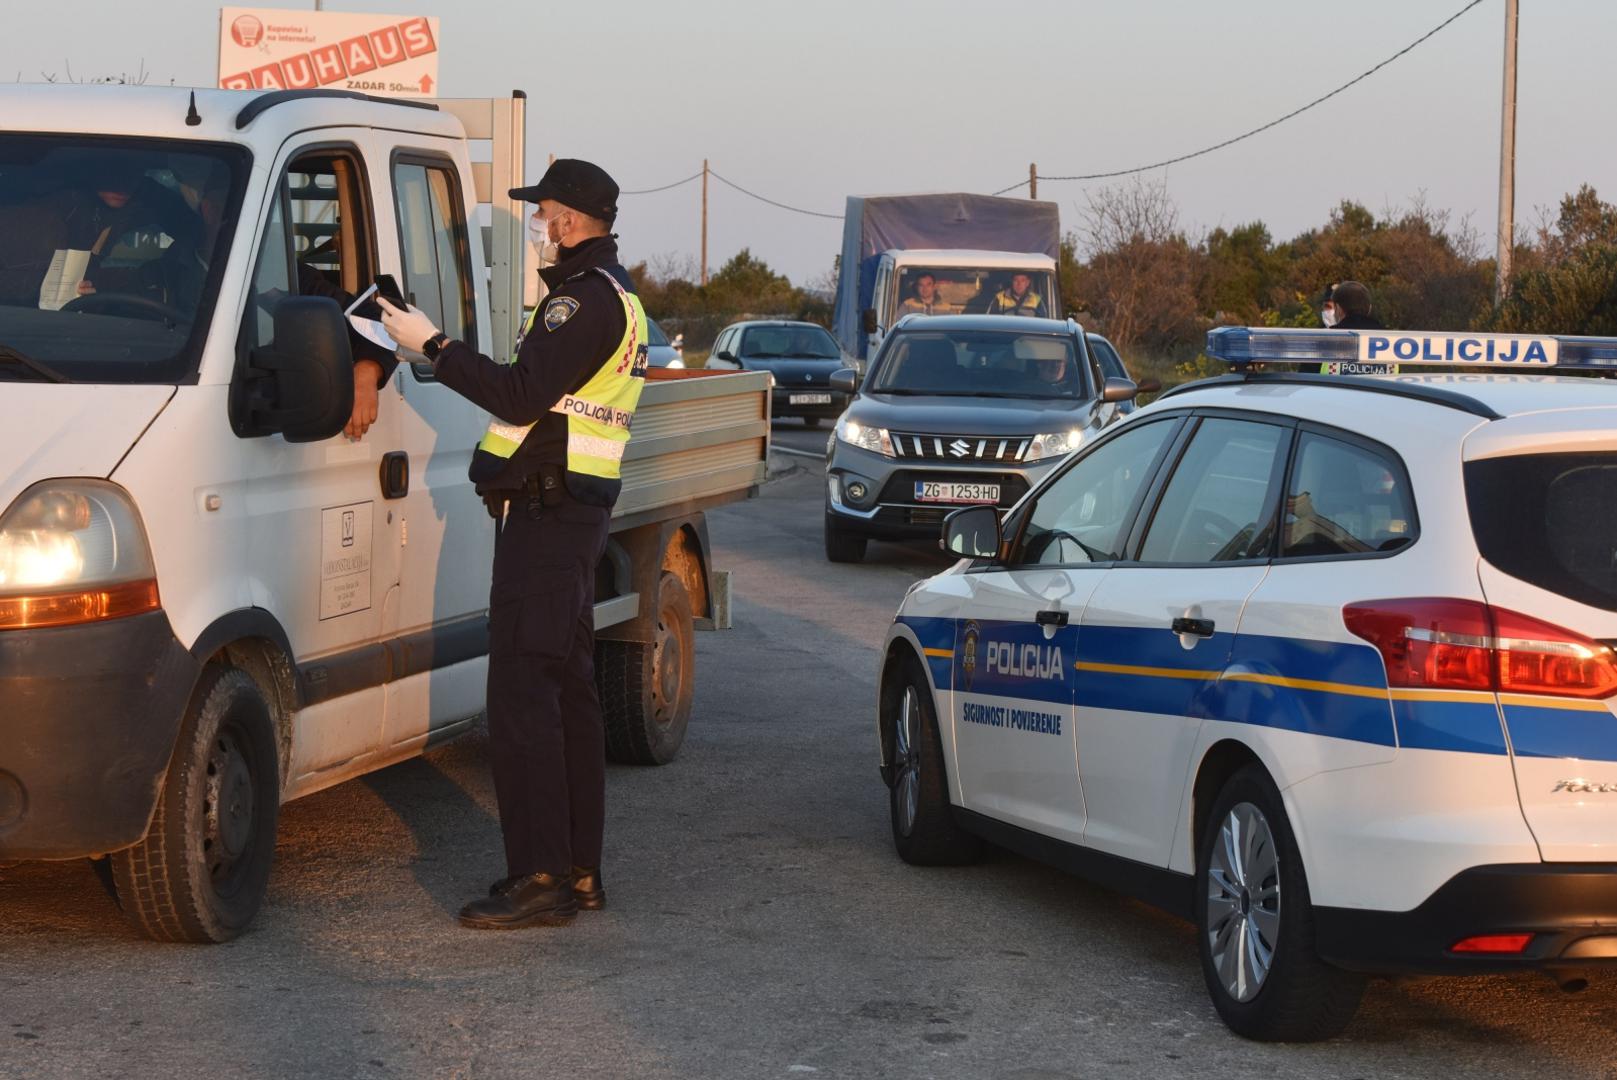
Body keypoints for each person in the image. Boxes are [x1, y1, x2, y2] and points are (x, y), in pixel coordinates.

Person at [378, 158, 646, 931]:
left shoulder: (577, 300)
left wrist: (433, 343)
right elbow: (544, 396)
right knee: (566, 695)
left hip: (547, 515)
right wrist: (432, 352)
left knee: (524, 698)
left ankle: (539, 878)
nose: (537, 225)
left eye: (542, 212)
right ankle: (578, 871)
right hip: (568, 513)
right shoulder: (616, 294)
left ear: (568, 220)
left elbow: (522, 395)